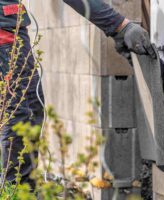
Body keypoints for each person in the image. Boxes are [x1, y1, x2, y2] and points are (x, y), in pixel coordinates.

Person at [0, 0, 155, 188]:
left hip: (7, 29)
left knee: (27, 109)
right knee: (22, 114)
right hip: (5, 35)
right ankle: (16, 192)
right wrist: (119, 26)